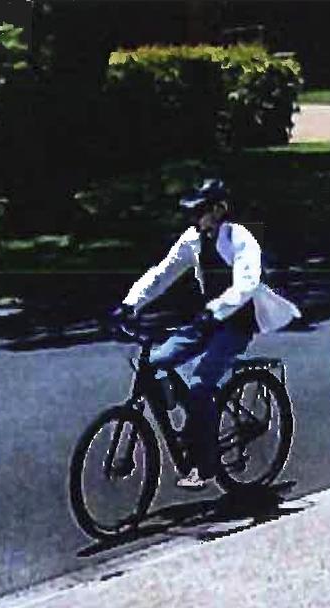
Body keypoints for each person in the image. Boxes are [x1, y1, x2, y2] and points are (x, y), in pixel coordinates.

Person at [111, 179, 301, 490]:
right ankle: (195, 421)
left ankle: (206, 459)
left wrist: (215, 311)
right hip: (205, 320)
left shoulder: (240, 238)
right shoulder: (193, 239)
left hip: (236, 323)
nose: (194, 218)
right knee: (157, 360)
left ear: (219, 210)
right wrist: (130, 304)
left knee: (201, 383)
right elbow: (162, 273)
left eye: (200, 211)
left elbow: (246, 284)